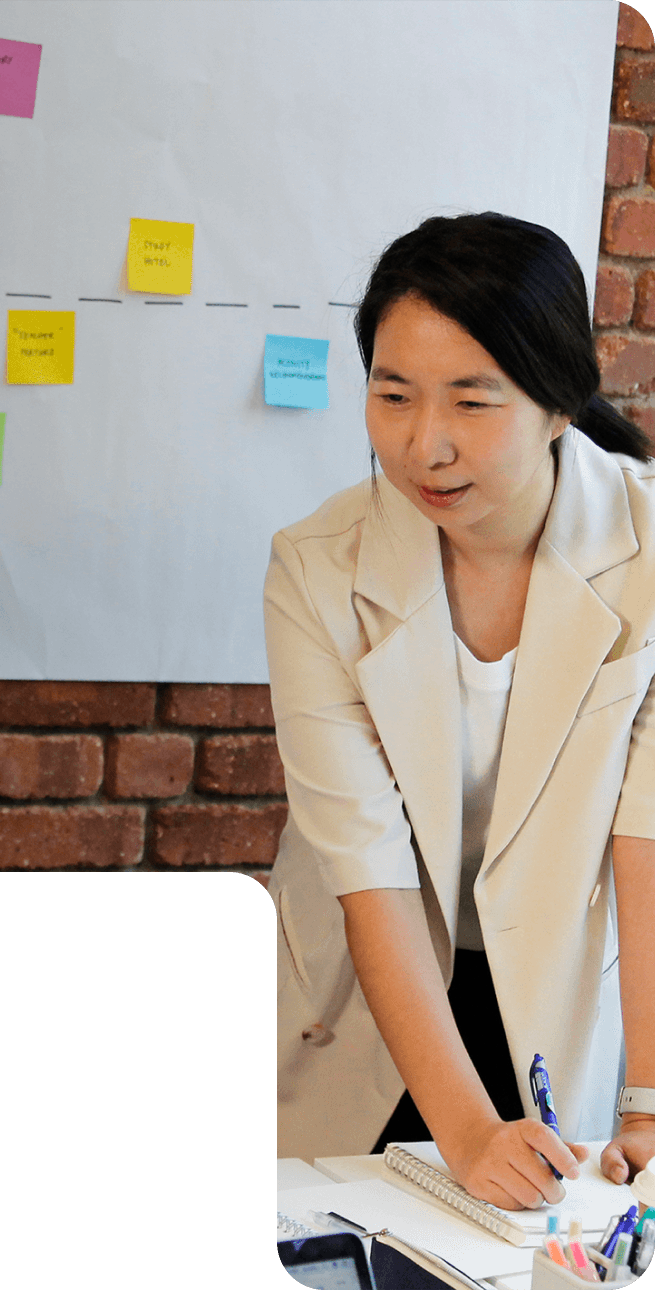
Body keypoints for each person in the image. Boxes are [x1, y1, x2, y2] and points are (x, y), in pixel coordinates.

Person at [267, 212, 655, 1209]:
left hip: (561, 988)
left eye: (471, 402)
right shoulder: (317, 568)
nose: (423, 444)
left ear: (559, 399)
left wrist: (648, 1097)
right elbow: (368, 870)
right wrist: (470, 1131)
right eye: (392, 394)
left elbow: (645, 838)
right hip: (369, 987)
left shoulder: (647, 548)